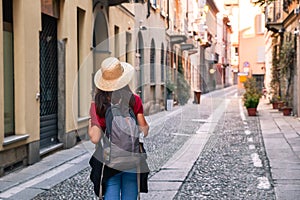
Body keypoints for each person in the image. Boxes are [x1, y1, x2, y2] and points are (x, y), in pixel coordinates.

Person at [88, 57, 149, 200]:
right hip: (132, 159)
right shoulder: (134, 100)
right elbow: (145, 130)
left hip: (110, 161)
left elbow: (95, 138)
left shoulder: (97, 104)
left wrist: (92, 118)